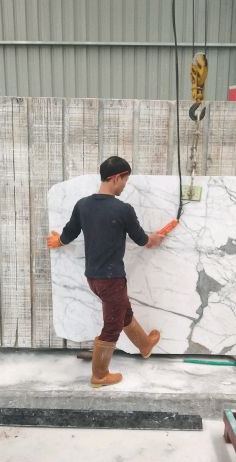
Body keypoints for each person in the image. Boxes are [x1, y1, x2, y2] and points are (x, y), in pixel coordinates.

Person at [46, 156, 164, 388]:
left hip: (93, 278)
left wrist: (58, 241)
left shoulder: (82, 205)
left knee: (123, 314)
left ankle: (145, 346)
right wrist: (154, 239)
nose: (125, 185)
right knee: (112, 326)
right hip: (112, 280)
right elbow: (142, 240)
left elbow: (69, 233)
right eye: (125, 180)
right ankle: (99, 375)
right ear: (116, 177)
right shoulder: (123, 209)